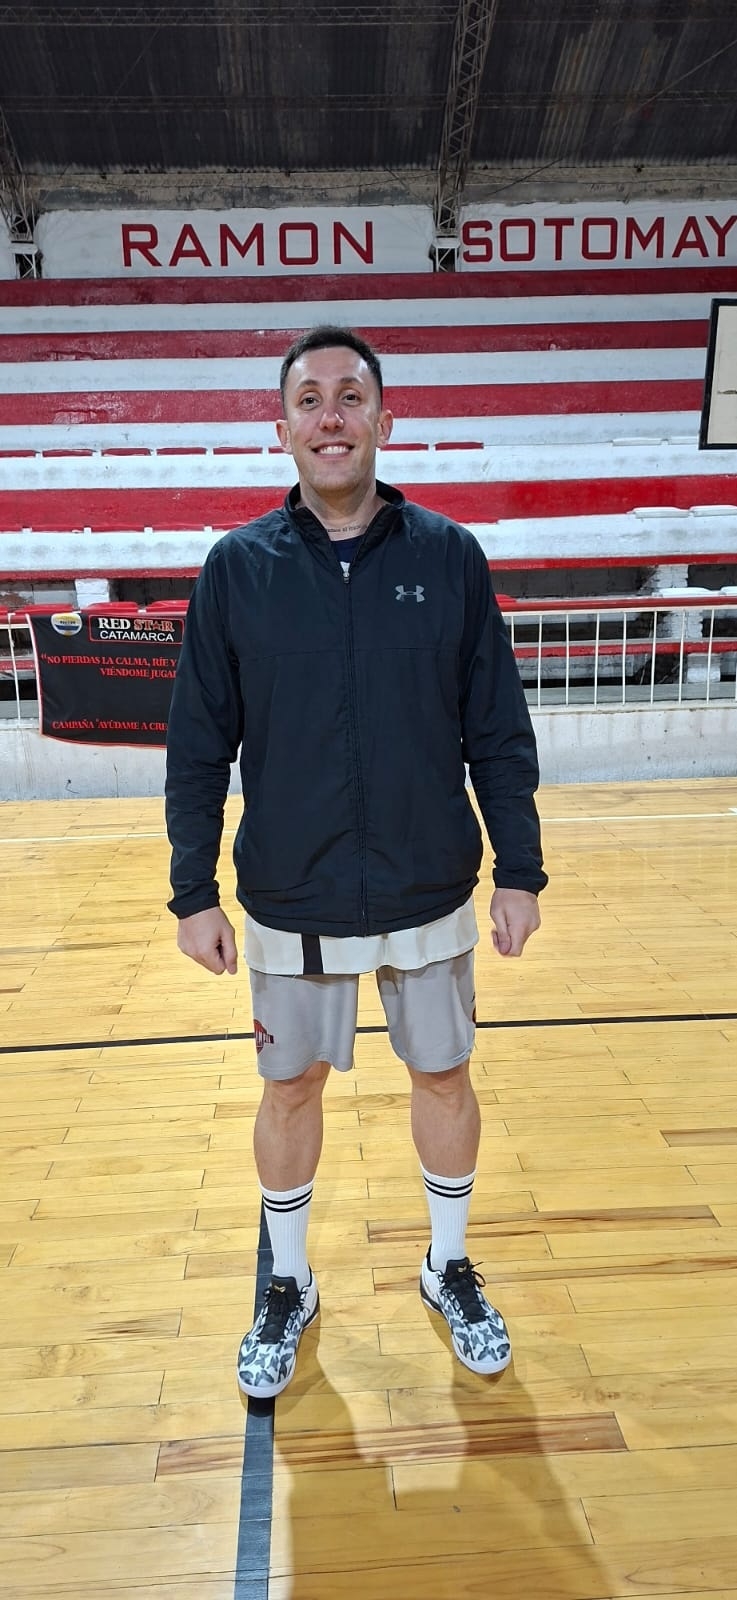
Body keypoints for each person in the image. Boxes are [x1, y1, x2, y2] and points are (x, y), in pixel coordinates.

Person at [165, 325, 546, 1401]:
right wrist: (191, 890)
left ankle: (446, 1265)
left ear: (383, 416)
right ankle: (286, 1282)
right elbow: (198, 743)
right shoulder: (237, 568)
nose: (329, 416)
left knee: (444, 1074)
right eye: (309, 399)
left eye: (348, 396)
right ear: (282, 426)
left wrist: (518, 869)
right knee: (289, 1088)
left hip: (428, 882)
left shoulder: (448, 557)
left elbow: (496, 729)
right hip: (292, 890)